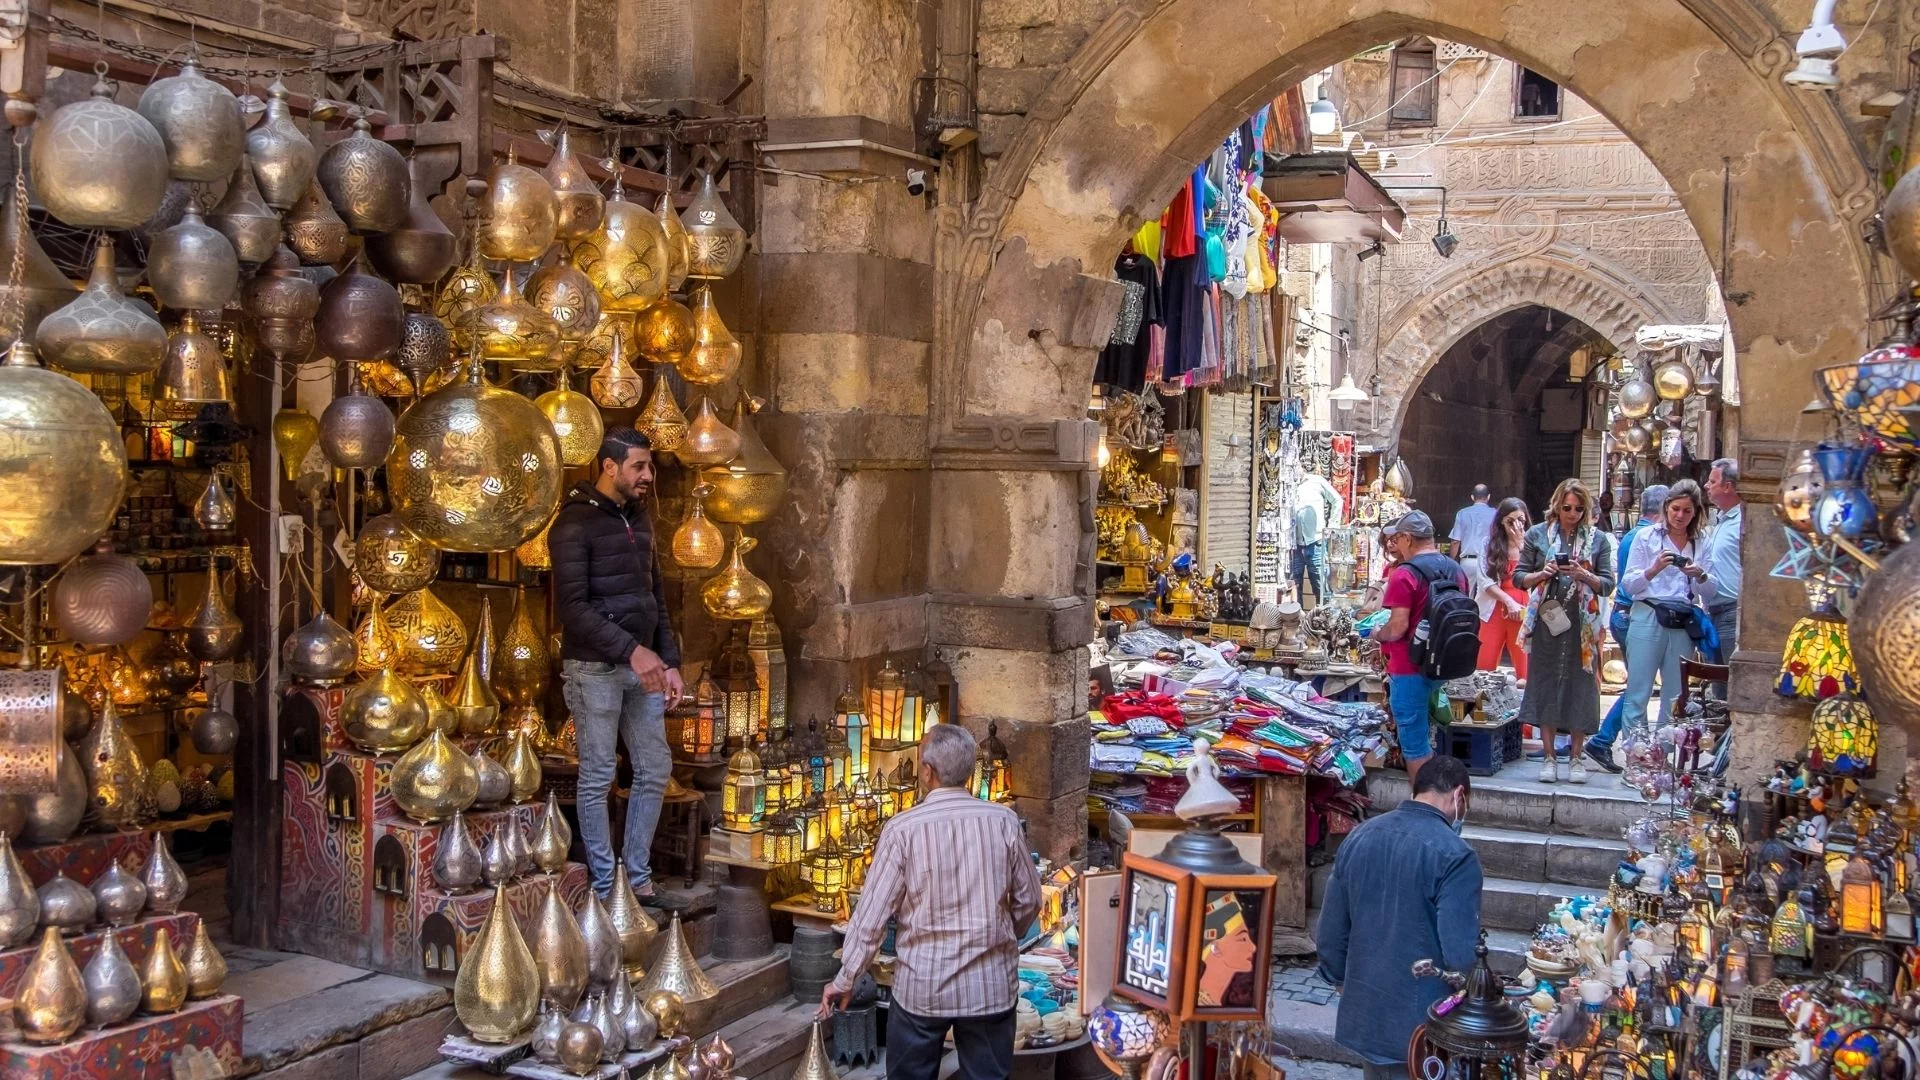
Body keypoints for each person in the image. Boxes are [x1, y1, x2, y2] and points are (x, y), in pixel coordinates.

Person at [821, 724, 1043, 1080]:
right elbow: (1030, 900)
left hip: (922, 988)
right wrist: (1000, 936)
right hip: (989, 988)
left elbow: (870, 918)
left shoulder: (902, 830)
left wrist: (846, 977)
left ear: (927, 770)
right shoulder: (1003, 822)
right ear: (970, 770)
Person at [550, 427, 685, 899]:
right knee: (598, 774)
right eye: (639, 466)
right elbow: (573, 609)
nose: (648, 475)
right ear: (610, 467)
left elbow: (656, 595)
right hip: (595, 670)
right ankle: (607, 886)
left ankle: (638, 879)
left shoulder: (640, 520)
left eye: (649, 466)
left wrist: (668, 660)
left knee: (654, 766)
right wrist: (633, 650)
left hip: (644, 669)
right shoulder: (573, 525)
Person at [1317, 755, 1481, 1080]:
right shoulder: (1456, 856)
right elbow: (1460, 955)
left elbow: (1331, 932)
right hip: (1422, 1024)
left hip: (1366, 1014)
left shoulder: (1360, 836)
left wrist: (1339, 978)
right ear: (1458, 796)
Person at [1512, 480, 1616, 784]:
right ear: (1557, 505)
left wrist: (1584, 574)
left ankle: (1575, 757)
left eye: (1579, 508)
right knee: (1544, 681)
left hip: (1583, 624)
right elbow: (1519, 577)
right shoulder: (1537, 535)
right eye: (1567, 507)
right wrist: (1542, 574)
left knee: (1581, 684)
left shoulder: (1598, 541)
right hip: (1548, 617)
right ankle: (1548, 756)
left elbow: (1608, 584)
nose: (1572, 513)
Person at [1373, 511, 1467, 783]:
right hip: (1443, 664)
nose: (1395, 544)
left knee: (1414, 745)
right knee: (1426, 735)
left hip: (1408, 666)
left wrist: (1379, 633)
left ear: (1406, 538)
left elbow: (1398, 626)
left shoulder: (1405, 574)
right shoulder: (1456, 569)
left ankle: (1424, 803)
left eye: (1397, 538)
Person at [1619, 479, 1716, 741]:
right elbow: (1628, 584)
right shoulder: (1647, 536)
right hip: (1648, 613)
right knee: (1638, 691)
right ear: (1666, 507)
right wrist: (1653, 569)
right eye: (1675, 509)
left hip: (1683, 620)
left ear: (1695, 512)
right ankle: (1636, 758)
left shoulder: (1702, 541)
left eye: (1686, 510)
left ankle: (1662, 762)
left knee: (1675, 697)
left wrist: (1700, 574)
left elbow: (1710, 592)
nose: (1680, 516)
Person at [1584, 484, 1668, 774]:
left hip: (1629, 615)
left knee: (1639, 686)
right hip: (1634, 615)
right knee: (1638, 688)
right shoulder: (1644, 537)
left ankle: (1630, 743)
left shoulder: (1634, 535)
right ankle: (1605, 739)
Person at [1472, 498, 1531, 681]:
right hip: (1493, 608)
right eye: (1510, 521)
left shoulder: (1531, 542)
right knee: (1484, 665)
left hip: (1523, 608)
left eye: (1520, 520)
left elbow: (1538, 573)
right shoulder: (1488, 543)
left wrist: (1521, 544)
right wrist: (1508, 601)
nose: (1516, 525)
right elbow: (1484, 580)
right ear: (1501, 522)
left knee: (1525, 668)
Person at [1703, 459, 1743, 695]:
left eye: (1712, 481)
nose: (1707, 486)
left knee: (1730, 679)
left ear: (1728, 486)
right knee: (1718, 683)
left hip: (1732, 610)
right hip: (1715, 612)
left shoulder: (1743, 521)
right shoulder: (1722, 520)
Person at [1292, 471, 1343, 606]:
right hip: (1294, 544)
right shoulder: (1288, 483)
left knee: (1320, 586)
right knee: (1294, 586)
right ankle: (1298, 621)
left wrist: (1332, 526)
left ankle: (1324, 619)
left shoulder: (1316, 481)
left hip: (1316, 541)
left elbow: (1337, 499)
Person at [1448, 484, 1496, 566]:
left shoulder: (1462, 513)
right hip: (1488, 562)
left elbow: (1455, 541)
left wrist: (1451, 562)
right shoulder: (1496, 513)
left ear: (1472, 497)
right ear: (1488, 497)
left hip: (1468, 562)